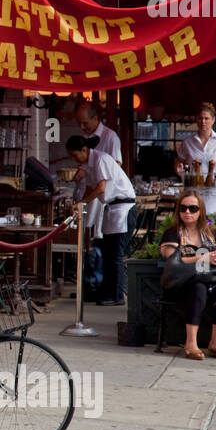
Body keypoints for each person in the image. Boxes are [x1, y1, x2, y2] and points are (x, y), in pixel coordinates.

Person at [159, 190, 216, 361]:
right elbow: (173, 259)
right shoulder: (173, 233)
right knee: (199, 287)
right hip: (182, 282)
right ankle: (191, 343)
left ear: (201, 211)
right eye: (183, 208)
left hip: (211, 279)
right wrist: (205, 257)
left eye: (193, 208)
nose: (187, 212)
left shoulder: (212, 232)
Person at [66, 135, 135, 306]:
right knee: (107, 253)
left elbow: (101, 187)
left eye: (75, 155)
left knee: (115, 255)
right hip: (111, 208)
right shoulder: (89, 164)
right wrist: (78, 204)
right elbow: (90, 186)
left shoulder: (101, 159)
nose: (75, 159)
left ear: (84, 150)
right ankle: (105, 291)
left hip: (123, 207)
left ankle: (117, 295)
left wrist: (82, 202)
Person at [73, 101, 121, 296]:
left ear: (95, 118)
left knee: (98, 240)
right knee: (87, 240)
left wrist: (94, 173)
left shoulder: (110, 137)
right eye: (80, 124)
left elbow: (116, 166)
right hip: (89, 192)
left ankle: (98, 284)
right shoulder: (85, 138)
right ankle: (89, 284)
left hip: (105, 197)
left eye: (85, 123)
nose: (83, 127)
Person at [175, 102, 216, 215]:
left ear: (213, 120)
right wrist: (178, 166)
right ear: (196, 120)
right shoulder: (188, 142)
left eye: (206, 118)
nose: (203, 122)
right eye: (200, 118)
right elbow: (179, 161)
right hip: (193, 193)